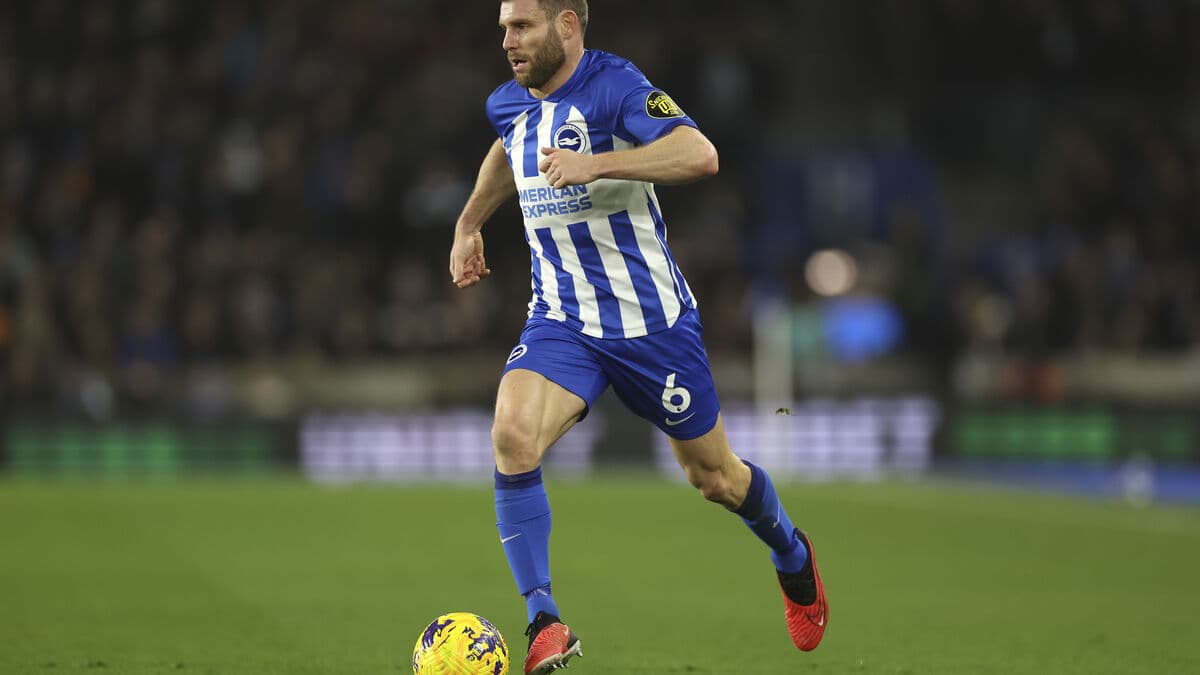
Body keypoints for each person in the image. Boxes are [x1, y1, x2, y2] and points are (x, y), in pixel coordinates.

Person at [448, 1, 828, 671]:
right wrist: (469, 221)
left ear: (567, 24)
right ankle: (544, 619)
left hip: (652, 325)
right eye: (504, 26)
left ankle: (792, 553)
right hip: (563, 320)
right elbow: (510, 149)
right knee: (512, 432)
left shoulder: (617, 85)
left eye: (521, 26)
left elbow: (699, 153)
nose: (506, 39)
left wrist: (596, 165)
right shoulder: (509, 103)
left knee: (714, 477)